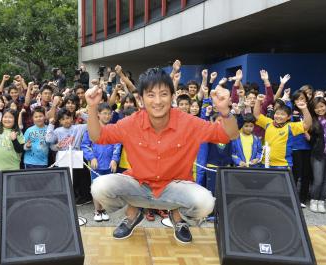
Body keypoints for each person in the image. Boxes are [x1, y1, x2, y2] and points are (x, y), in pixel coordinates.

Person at [85, 67, 239, 243]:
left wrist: (225, 111)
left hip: (175, 187)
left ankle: (178, 217)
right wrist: (91, 106)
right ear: (141, 99)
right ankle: (132, 213)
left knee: (206, 202)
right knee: (99, 186)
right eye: (151, 95)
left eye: (163, 94)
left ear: (172, 97)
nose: (157, 101)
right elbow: (97, 136)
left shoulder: (188, 122)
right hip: (139, 184)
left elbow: (230, 135)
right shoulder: (130, 123)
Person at [81, 103, 121, 222]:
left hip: (109, 164)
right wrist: (92, 157)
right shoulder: (92, 128)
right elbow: (85, 145)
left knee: (107, 188)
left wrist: (114, 159)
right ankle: (97, 210)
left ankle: (104, 209)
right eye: (104, 113)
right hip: (96, 165)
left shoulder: (113, 128)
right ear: (98, 114)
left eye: (109, 114)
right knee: (96, 187)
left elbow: (117, 145)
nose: (107, 116)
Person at [253, 94, 312, 168]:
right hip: (265, 163)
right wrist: (258, 101)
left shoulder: (291, 126)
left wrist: (304, 109)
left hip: (282, 165)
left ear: (289, 117)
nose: (279, 116)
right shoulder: (268, 123)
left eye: (282, 114)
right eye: (277, 114)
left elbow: (307, 124)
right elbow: (257, 115)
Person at [308, 97, 326, 213]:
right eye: (316, 108)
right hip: (318, 153)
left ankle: (321, 201)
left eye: (321, 106)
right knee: (318, 179)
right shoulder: (313, 120)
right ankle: (314, 200)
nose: (319, 109)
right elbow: (311, 139)